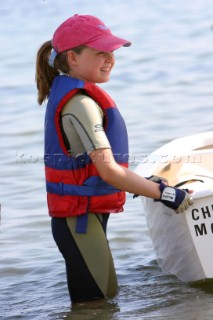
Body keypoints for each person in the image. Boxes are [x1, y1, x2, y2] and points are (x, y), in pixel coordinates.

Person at [35, 14, 193, 303]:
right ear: (73, 57)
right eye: (100, 53)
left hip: (84, 218)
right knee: (94, 307)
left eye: (111, 52)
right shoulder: (80, 103)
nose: (109, 59)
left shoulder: (77, 95)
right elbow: (109, 173)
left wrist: (145, 183)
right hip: (79, 221)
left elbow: (98, 170)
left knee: (103, 304)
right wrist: (166, 193)